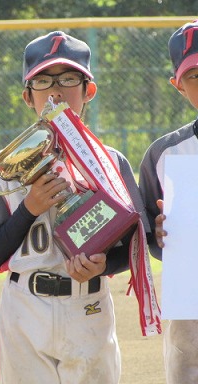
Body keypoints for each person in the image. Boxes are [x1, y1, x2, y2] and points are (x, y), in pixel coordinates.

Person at [0, 31, 150, 384]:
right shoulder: (2, 166)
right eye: (43, 80)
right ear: (27, 96)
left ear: (88, 91)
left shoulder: (109, 163)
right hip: (25, 306)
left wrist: (103, 265)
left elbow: (135, 246)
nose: (56, 90)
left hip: (88, 304)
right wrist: (29, 208)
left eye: (68, 78)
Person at [138, 19, 198, 384]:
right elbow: (147, 233)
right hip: (191, 292)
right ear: (177, 86)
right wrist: (159, 237)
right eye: (195, 74)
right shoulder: (164, 154)